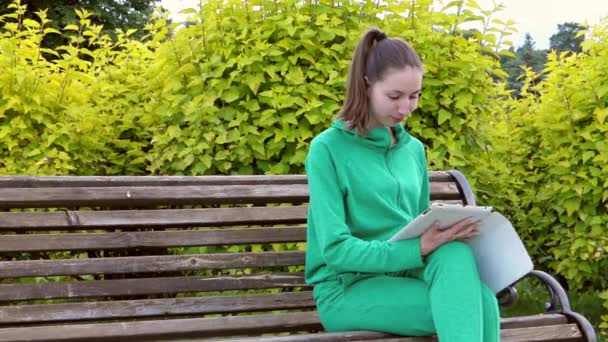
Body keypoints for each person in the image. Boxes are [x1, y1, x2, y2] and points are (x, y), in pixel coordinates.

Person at [304, 27, 500, 341]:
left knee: (459, 262)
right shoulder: (327, 150)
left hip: (404, 275)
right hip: (347, 289)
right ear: (367, 84)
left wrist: (442, 234)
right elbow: (336, 251)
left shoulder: (413, 151)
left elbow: (416, 225)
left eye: (414, 96)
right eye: (394, 96)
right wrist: (418, 248)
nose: (405, 108)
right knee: (479, 306)